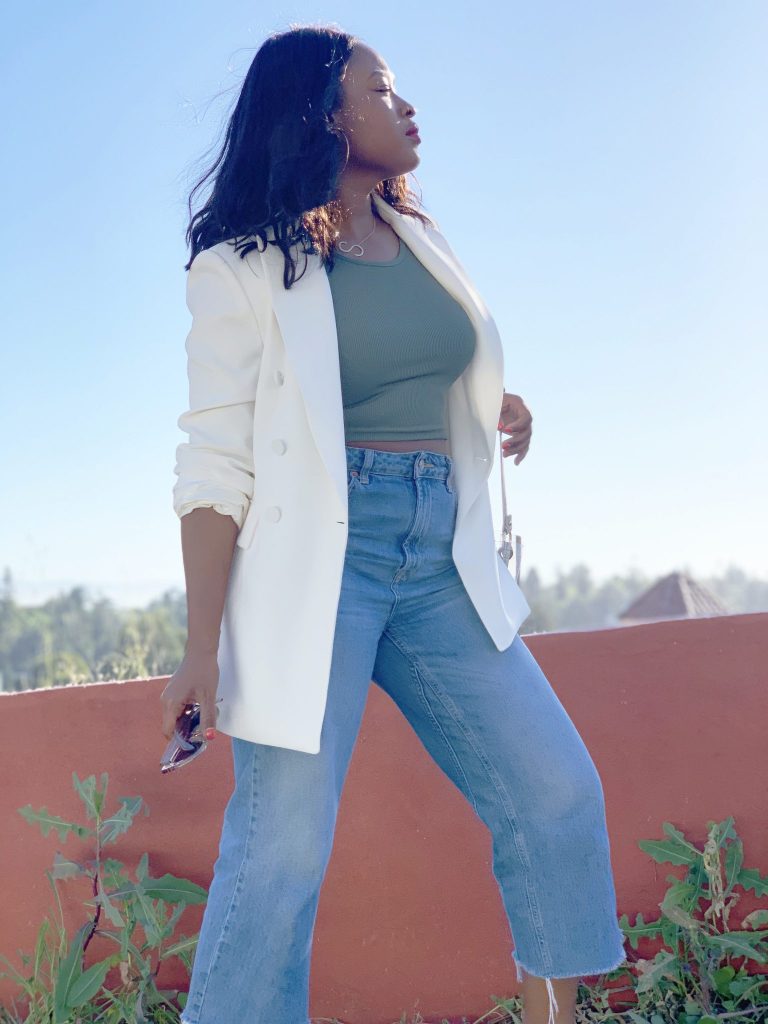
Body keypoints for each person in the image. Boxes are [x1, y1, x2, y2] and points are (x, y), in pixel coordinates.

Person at [161, 24, 627, 1024]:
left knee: (555, 792)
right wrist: (201, 646)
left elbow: (419, 363)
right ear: (325, 113)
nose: (407, 106)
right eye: (383, 89)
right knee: (279, 850)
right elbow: (216, 457)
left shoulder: (420, 236)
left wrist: (496, 399)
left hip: (443, 552)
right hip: (320, 563)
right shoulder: (242, 267)